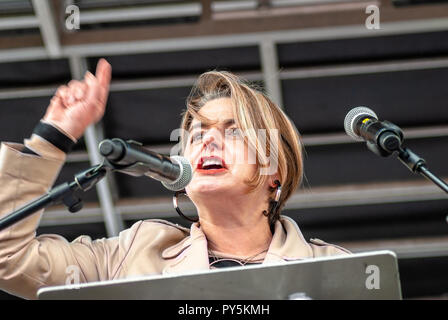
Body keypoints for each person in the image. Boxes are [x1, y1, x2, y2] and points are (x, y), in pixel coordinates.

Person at [0, 59, 350, 300]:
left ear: (276, 171)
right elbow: (9, 257)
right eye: (197, 136)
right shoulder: (132, 254)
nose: (208, 141)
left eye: (233, 132)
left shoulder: (336, 270)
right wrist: (54, 135)